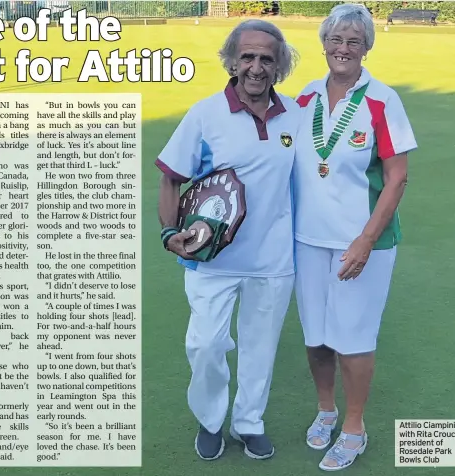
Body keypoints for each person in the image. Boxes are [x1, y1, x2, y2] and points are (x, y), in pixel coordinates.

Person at [155, 20, 300, 461]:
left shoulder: (295, 115)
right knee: (206, 345)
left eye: (267, 59)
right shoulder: (205, 114)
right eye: (248, 57)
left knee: (260, 347)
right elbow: (170, 179)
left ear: (279, 67)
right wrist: (168, 232)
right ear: (233, 61)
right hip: (212, 260)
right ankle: (210, 419)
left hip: (273, 261)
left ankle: (248, 422)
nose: (256, 67)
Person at [292, 3, 418, 471]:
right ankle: (326, 410)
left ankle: (354, 428)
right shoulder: (305, 96)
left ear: (367, 47)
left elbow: (398, 176)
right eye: (336, 39)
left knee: (354, 338)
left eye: (354, 41)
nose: (343, 48)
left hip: (361, 241)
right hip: (307, 240)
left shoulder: (382, 100)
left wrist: (366, 240)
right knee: (317, 336)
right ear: (323, 43)